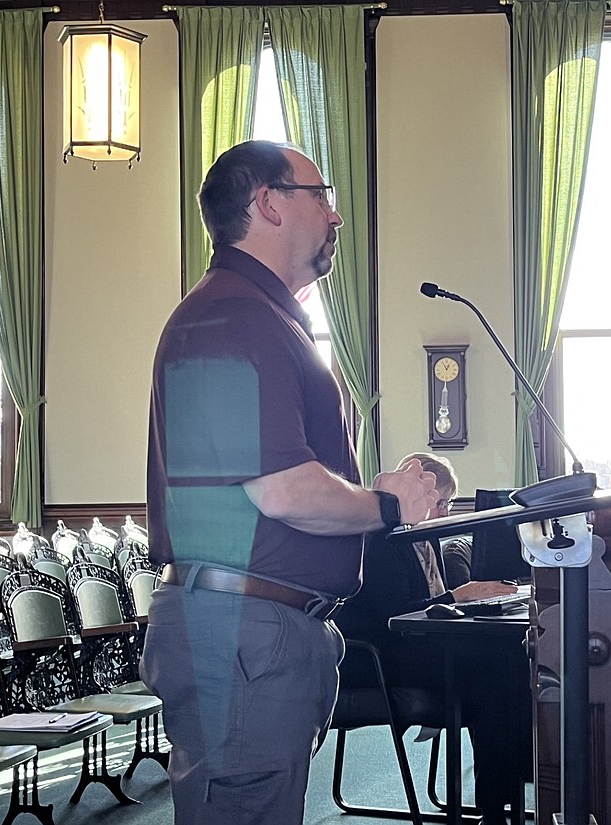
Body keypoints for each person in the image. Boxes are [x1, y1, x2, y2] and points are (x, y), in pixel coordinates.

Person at [141, 140, 438, 825]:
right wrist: (387, 502)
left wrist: (377, 493)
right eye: (321, 195)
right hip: (245, 634)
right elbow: (281, 490)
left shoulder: (259, 316)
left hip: (259, 631)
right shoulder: (235, 316)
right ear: (267, 203)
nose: (335, 216)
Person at [337, 452, 531, 825]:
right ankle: (496, 804)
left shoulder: (424, 537)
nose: (443, 513)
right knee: (490, 674)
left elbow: (430, 605)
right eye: (439, 502)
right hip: (379, 656)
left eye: (446, 504)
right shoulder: (380, 539)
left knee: (511, 657)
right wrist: (460, 595)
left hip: (418, 646)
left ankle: (509, 792)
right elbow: (398, 613)